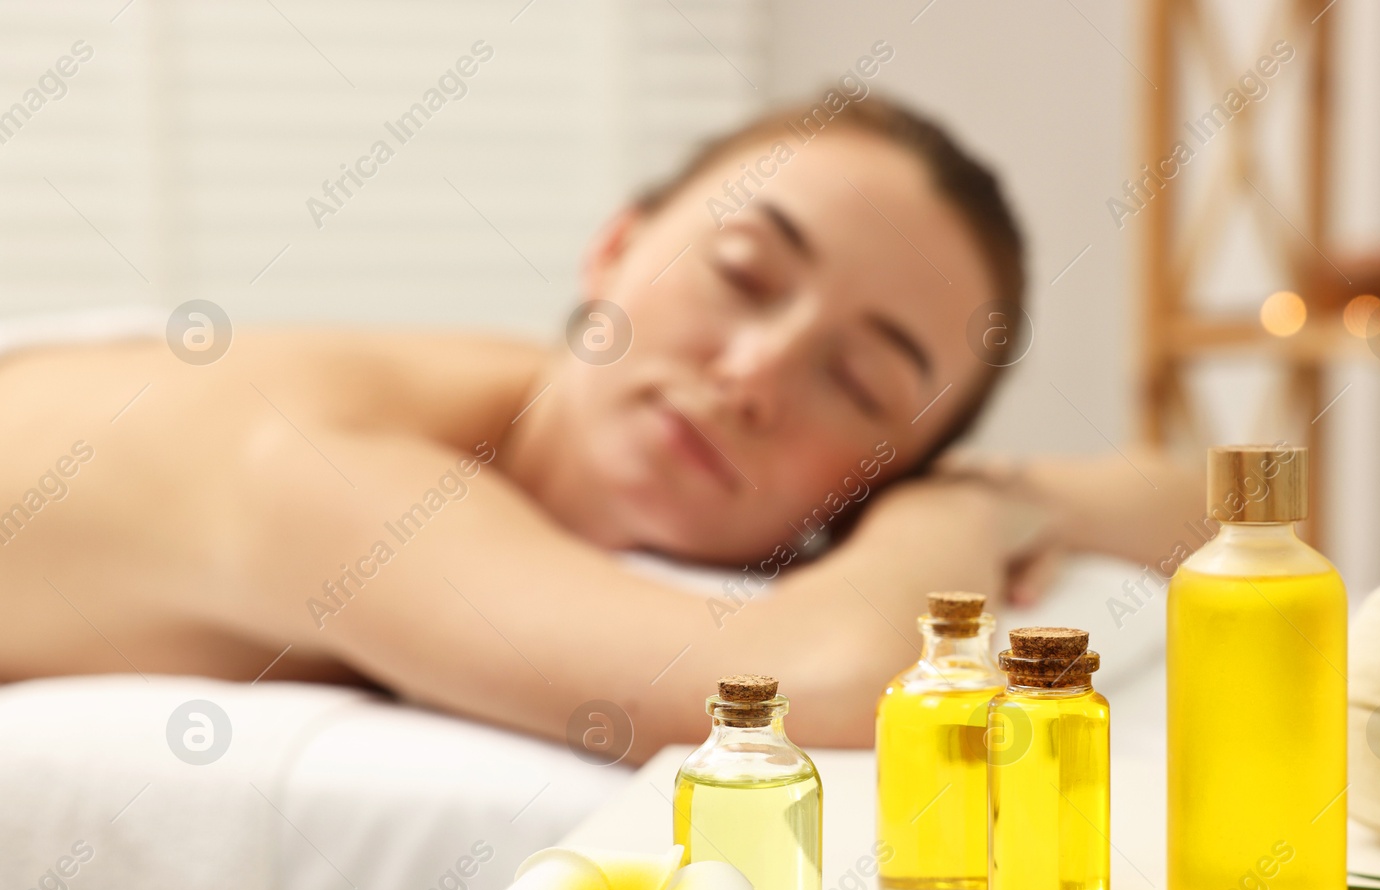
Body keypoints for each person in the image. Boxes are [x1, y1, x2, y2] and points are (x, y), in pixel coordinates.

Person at [0, 98, 1200, 759]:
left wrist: (1000, 492)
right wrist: (964, 516)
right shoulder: (319, 465)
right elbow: (812, 689)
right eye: (739, 271)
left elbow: (1209, 499)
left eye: (861, 384)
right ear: (614, 249)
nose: (753, 374)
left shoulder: (517, 421)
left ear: (863, 485)